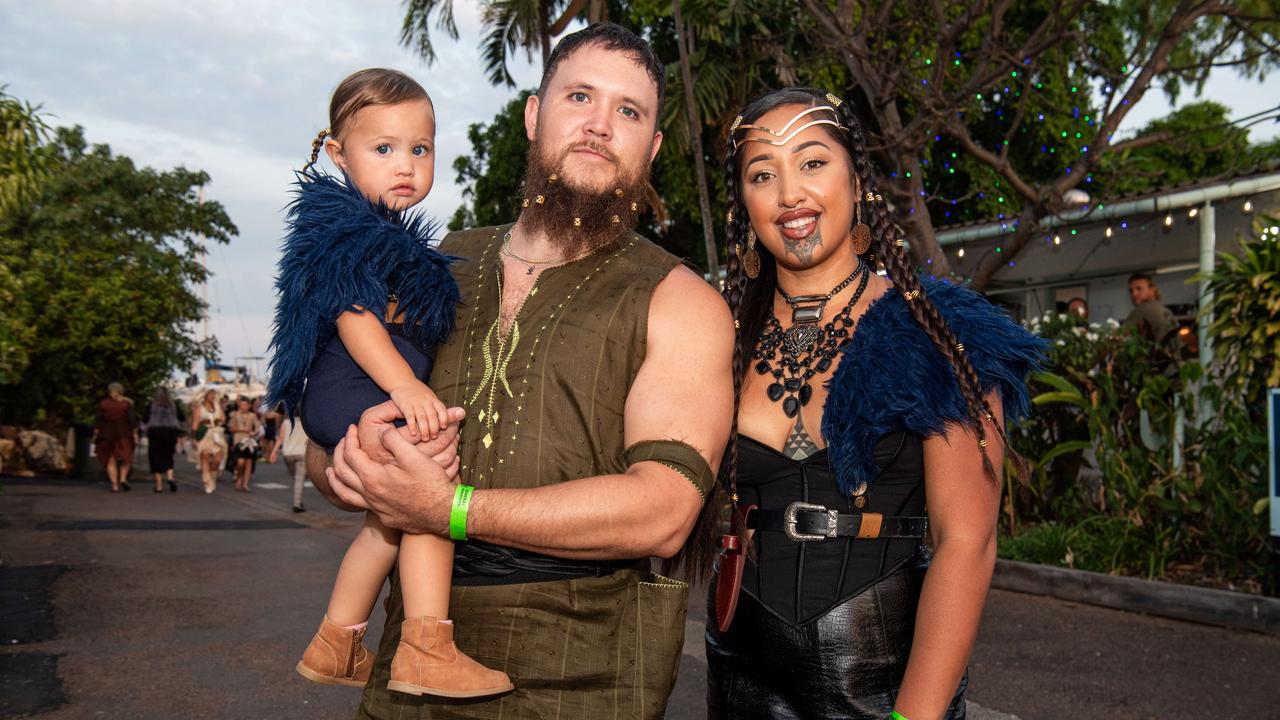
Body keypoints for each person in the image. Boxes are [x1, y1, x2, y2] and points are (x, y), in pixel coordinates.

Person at [319, 23, 734, 720]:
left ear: (652, 148)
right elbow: (338, 412)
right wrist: (343, 470)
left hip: (585, 680)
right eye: (579, 97)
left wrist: (448, 509)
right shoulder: (431, 263)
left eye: (628, 112)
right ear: (534, 114)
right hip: (406, 680)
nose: (600, 125)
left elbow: (664, 511)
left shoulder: (681, 299)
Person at [703, 88, 1045, 719]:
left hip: (881, 686)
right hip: (737, 676)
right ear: (743, 203)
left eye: (812, 162)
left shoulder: (940, 331)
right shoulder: (714, 337)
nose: (789, 195)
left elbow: (966, 542)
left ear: (857, 182)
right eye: (762, 174)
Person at [266, 68, 508, 698]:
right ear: (338, 155)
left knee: (389, 518)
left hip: (349, 391)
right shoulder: (347, 228)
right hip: (354, 384)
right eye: (383, 149)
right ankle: (427, 646)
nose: (405, 164)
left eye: (419, 149)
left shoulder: (385, 234)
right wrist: (405, 387)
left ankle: (336, 642)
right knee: (429, 499)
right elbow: (352, 316)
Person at [93, 382, 138, 492]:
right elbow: (132, 420)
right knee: (126, 457)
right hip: (124, 434)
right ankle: (123, 478)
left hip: (106, 434)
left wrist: (96, 433)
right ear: (121, 391)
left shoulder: (104, 404)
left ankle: (114, 485)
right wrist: (135, 433)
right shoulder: (126, 404)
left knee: (110, 459)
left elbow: (98, 420)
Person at [142, 387, 185, 492]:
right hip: (170, 432)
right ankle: (170, 478)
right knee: (168, 455)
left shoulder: (152, 405)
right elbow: (182, 417)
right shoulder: (173, 404)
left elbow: (145, 419)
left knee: (155, 457)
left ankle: (159, 486)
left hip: (155, 432)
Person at [1123, 272, 1178, 345]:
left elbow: (1118, 335)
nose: (1134, 294)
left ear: (1152, 289)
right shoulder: (1166, 310)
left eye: (1139, 289)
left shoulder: (1143, 309)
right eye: (1131, 291)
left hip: (1158, 355)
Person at [271, 412, 310, 513]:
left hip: (287, 454)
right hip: (302, 453)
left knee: (295, 477)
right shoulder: (307, 423)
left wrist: (274, 452)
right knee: (299, 479)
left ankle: (297, 501)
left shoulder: (286, 422)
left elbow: (280, 438)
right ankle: (297, 503)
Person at [191, 389, 228, 493]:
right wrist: (194, 438)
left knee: (217, 459)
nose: (212, 396)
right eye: (210, 394)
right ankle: (207, 481)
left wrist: (218, 420)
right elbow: (195, 423)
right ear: (205, 395)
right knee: (204, 456)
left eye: (213, 394)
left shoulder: (217, 406)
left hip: (216, 434)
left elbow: (223, 419)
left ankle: (212, 477)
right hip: (204, 435)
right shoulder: (199, 408)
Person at [227, 396, 262, 492]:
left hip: (250, 442)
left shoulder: (252, 415)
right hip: (239, 441)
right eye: (241, 405)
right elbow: (230, 428)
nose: (243, 407)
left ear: (249, 406)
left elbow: (258, 427)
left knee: (249, 463)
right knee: (240, 462)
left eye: (245, 405)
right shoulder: (234, 415)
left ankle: (245, 484)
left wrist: (254, 432)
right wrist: (242, 430)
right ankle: (239, 478)